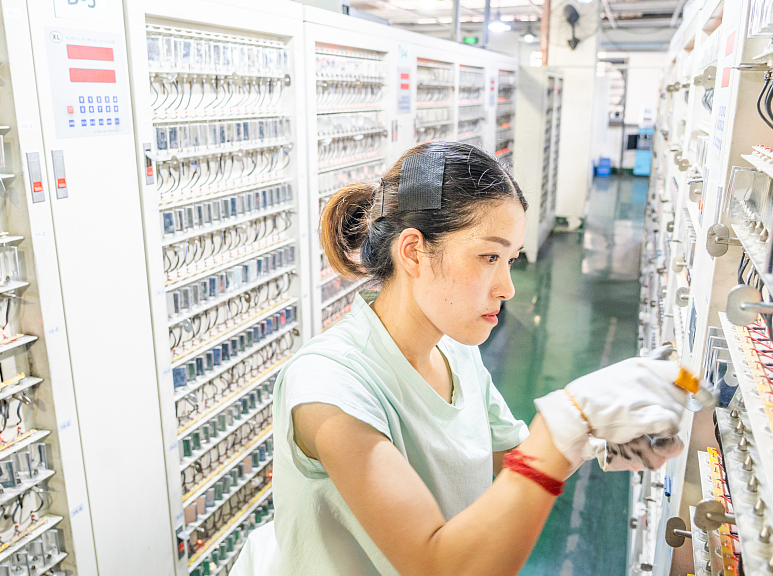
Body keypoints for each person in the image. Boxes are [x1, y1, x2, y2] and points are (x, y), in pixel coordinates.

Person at [255, 141, 688, 576]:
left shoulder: (456, 350)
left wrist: (593, 438)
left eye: (510, 260)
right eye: (488, 257)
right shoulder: (327, 387)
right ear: (413, 252)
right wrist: (563, 423)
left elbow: (507, 457)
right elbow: (437, 564)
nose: (507, 287)